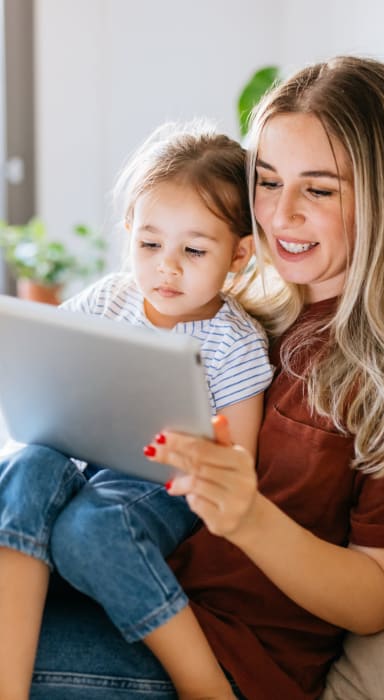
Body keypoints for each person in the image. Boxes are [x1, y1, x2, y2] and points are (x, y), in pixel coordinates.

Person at [28, 55, 384, 700]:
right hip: (97, 579)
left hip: (226, 650)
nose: (280, 216)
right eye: (268, 181)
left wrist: (247, 514)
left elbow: (376, 599)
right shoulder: (236, 295)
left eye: (321, 189)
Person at [0, 123, 273, 700]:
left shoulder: (235, 342)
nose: (166, 268)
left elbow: (237, 463)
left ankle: (201, 686)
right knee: (27, 468)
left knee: (94, 528)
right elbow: (46, 364)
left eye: (194, 251)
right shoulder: (108, 298)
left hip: (161, 484)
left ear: (239, 255)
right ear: (129, 234)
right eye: (150, 244)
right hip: (80, 461)